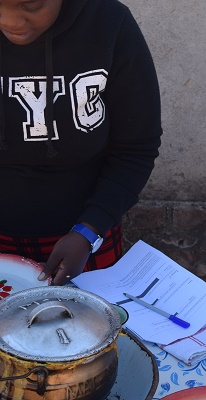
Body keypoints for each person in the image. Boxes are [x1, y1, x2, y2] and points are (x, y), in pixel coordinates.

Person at [0, 0, 162, 285]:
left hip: (81, 238)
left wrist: (90, 230)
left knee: (86, 328)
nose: (11, 22)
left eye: (32, 5)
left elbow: (137, 147)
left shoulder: (108, 23)